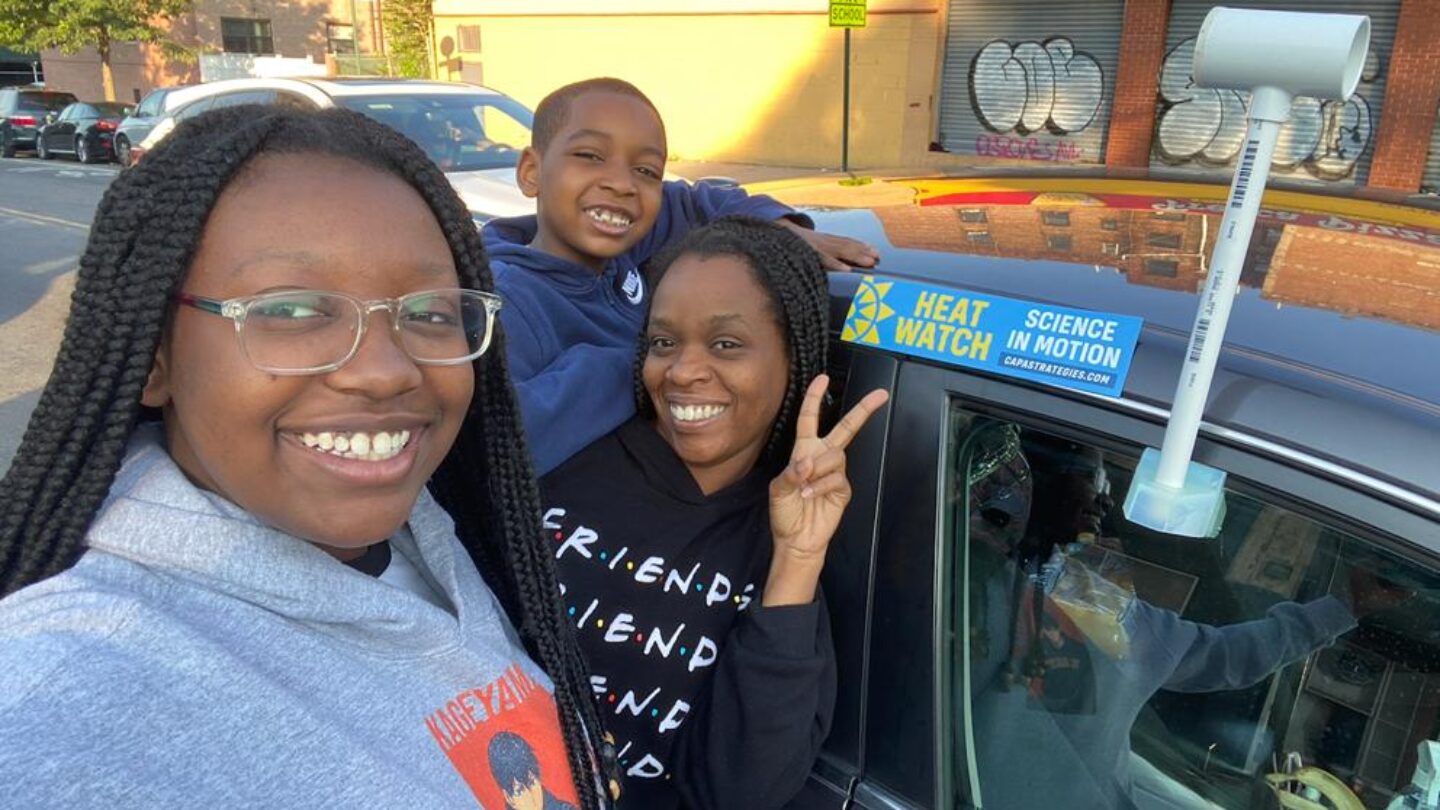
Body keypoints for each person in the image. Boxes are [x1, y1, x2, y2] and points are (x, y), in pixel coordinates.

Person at [0, 106, 612, 809]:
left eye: (430, 313)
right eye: (292, 310)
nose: (385, 372)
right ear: (154, 356)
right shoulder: (65, 696)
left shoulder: (436, 534)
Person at [538, 217, 890, 808]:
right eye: (664, 343)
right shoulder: (562, 466)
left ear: (795, 357)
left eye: (726, 344)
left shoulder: (785, 534)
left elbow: (738, 791)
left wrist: (797, 559)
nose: (682, 371)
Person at [960, 424, 1394, 810]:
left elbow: (1221, 656)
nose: (1106, 498)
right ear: (1034, 480)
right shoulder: (967, 579)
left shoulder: (1089, 596)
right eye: (1092, 478)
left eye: (1106, 481)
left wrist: (1346, 607)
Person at [485, 77, 880, 475]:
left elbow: (695, 201)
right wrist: (641, 363)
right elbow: (500, 443)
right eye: (589, 155)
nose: (622, 184)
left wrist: (777, 226)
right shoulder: (506, 301)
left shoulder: (623, 247)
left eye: (646, 170)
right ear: (531, 171)